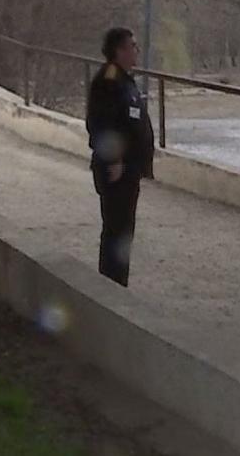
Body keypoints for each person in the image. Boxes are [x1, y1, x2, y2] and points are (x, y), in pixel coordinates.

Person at [86, 27, 155, 287]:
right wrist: (114, 160)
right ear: (119, 50)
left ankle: (117, 283)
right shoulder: (109, 80)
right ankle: (111, 285)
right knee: (116, 229)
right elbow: (101, 124)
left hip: (129, 170)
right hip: (116, 170)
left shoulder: (124, 80)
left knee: (123, 230)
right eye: (133, 46)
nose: (137, 50)